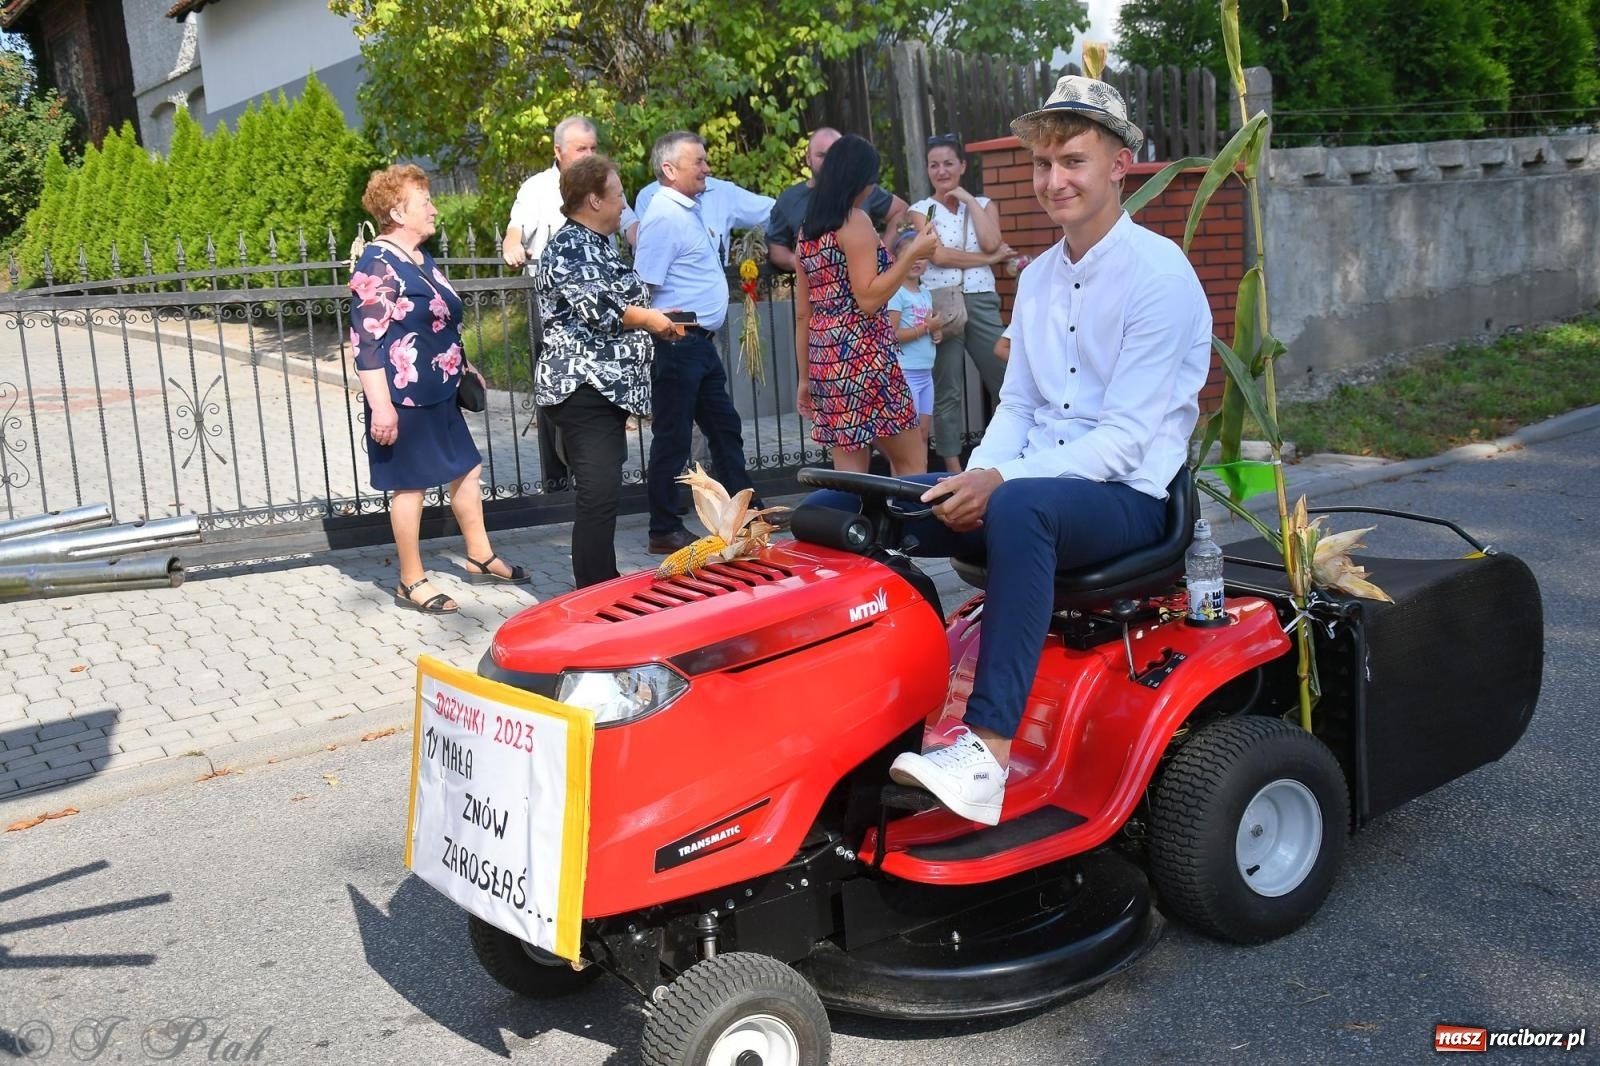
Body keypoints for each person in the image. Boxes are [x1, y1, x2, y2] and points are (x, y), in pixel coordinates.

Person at [830, 77, 1213, 824]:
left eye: (1072, 160)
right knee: (853, 506)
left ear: (1118, 168)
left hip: (1130, 498)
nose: (1053, 180)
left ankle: (989, 754)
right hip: (1031, 488)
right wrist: (977, 475)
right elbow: (1021, 405)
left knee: (1021, 510)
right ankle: (863, 720)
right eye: (1043, 165)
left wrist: (999, 481)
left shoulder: (1160, 275)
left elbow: (1126, 440)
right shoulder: (1036, 278)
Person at [350, 164, 531, 614]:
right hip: (403, 397)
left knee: (467, 469)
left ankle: (479, 556)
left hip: (442, 388)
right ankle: (410, 580)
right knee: (410, 487)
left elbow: (438, 317)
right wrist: (381, 409)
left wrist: (462, 362)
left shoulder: (417, 258)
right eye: (424, 202)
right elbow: (366, 344)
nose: (434, 208)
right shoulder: (378, 264)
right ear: (397, 210)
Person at [535, 155, 685, 588]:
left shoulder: (597, 243)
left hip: (605, 391)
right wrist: (651, 319)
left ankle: (601, 582)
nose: (624, 205)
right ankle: (595, 591)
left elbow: (618, 302)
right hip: (583, 388)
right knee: (597, 496)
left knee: (603, 494)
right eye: (618, 195)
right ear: (594, 200)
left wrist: (657, 319)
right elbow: (601, 310)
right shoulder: (570, 245)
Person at [633, 130, 775, 554]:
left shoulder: (687, 209)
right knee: (674, 437)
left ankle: (746, 511)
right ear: (669, 169)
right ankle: (663, 527)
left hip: (699, 344)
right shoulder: (663, 216)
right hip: (679, 340)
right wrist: (667, 332)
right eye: (699, 162)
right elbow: (645, 285)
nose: (707, 168)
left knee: (724, 428)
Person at [792, 134, 937, 475]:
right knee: (911, 459)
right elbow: (869, 299)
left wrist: (805, 379)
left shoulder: (807, 232)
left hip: (827, 360)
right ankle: (909, 529)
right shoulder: (854, 220)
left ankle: (858, 530)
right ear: (858, 179)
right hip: (864, 357)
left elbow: (803, 313)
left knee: (850, 475)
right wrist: (912, 253)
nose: (873, 187)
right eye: (871, 179)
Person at [907, 134, 1016, 473]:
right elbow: (936, 255)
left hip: (982, 299)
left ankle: (1004, 457)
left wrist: (968, 199)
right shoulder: (920, 210)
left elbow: (992, 240)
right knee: (948, 388)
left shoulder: (982, 203)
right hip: (941, 304)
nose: (941, 171)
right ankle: (953, 467)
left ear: (962, 166)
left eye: (948, 163)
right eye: (934, 165)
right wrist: (990, 257)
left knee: (1006, 378)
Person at [502, 115, 639, 271]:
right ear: (558, 152)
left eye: (593, 148)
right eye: (581, 149)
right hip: (556, 286)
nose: (589, 155)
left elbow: (630, 225)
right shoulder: (537, 187)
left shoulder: (607, 184)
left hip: (604, 282)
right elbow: (516, 229)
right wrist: (512, 247)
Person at [767, 127, 909, 273]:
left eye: (835, 156)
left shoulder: (863, 190)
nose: (829, 162)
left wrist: (884, 250)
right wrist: (806, 265)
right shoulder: (791, 202)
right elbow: (776, 247)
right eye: (821, 155)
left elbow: (900, 209)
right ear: (808, 159)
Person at [886, 227, 943, 457]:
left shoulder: (925, 293)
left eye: (921, 256)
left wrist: (935, 333)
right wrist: (926, 328)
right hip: (906, 374)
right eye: (910, 256)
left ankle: (919, 488)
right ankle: (902, 486)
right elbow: (892, 334)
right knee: (906, 438)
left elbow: (928, 328)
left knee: (922, 433)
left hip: (925, 374)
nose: (916, 261)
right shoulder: (896, 293)